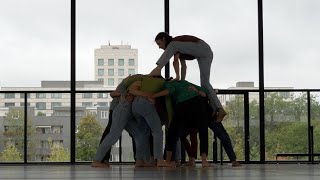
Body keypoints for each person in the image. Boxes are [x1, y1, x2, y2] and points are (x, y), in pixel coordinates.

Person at [149, 32, 227, 122]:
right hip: (206, 53)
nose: (159, 47)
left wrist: (175, 76)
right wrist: (181, 80)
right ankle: (218, 109)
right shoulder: (180, 47)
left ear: (164, 39)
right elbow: (182, 65)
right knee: (205, 83)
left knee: (172, 45)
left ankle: (158, 68)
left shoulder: (174, 43)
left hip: (201, 47)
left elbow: (175, 60)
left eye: (159, 43)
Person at [151, 79, 211, 167]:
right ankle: (204, 161)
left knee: (172, 132)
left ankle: (167, 161)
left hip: (183, 105)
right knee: (203, 130)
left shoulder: (167, 84)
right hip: (198, 103)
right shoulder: (185, 82)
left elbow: (170, 90)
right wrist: (198, 91)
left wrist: (153, 95)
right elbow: (205, 91)